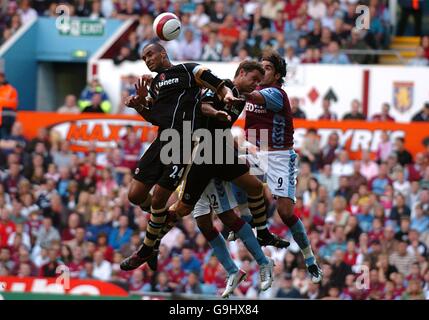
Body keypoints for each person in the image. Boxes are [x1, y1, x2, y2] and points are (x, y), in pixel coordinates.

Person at [119, 42, 240, 271]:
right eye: (144, 57)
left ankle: (146, 248)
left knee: (158, 199)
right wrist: (139, 105)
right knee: (135, 195)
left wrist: (226, 96)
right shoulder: (155, 85)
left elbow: (217, 83)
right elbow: (155, 117)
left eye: (150, 54)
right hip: (162, 140)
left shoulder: (188, 70)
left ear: (163, 53)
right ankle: (155, 237)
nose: (147, 59)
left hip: (183, 141)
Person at [241, 49, 323, 283]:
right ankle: (244, 221)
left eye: (267, 69)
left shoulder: (276, 94)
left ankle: (309, 259)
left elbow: (252, 98)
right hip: (255, 151)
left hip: (279, 157)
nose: (262, 72)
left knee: (285, 213)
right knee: (230, 169)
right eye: (261, 67)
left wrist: (235, 86)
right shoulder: (253, 90)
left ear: (277, 75)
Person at [0, 71, 18, 139]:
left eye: (1, 77)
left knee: (4, 141)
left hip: (6, 121)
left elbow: (13, 104)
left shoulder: (10, 90)